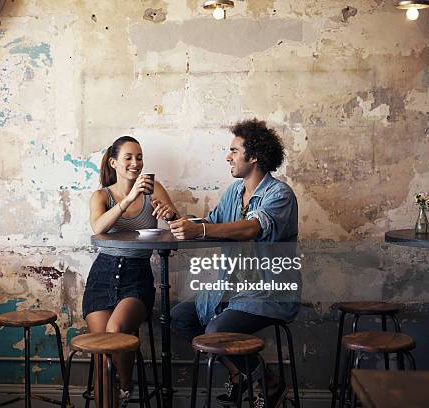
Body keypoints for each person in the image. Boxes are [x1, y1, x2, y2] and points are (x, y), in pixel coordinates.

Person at [168, 118, 299, 407]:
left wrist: (199, 229)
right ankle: (240, 376)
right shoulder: (233, 193)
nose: (228, 156)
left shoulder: (280, 195)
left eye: (234, 150)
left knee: (216, 331)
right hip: (230, 290)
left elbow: (252, 228)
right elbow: (213, 225)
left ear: (253, 156)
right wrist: (179, 220)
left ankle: (271, 382)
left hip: (270, 291)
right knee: (181, 316)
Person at [84, 135, 178, 407]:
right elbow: (99, 228)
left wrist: (171, 216)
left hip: (137, 275)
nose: (136, 163)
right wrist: (129, 198)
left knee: (114, 331)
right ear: (114, 162)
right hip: (103, 274)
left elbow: (177, 230)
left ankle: (125, 387)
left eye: (139, 157)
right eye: (128, 157)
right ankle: (111, 395)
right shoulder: (101, 196)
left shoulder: (154, 189)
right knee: (101, 353)